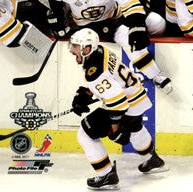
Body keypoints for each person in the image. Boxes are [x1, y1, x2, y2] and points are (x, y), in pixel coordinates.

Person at [46, 0, 172, 93]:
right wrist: (57, 15)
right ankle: (156, 75)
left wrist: (137, 28)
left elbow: (132, 4)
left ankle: (147, 54)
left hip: (114, 16)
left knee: (157, 23)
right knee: (126, 38)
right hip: (87, 26)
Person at [68, 28, 166, 190]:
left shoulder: (94, 70)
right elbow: (109, 79)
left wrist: (115, 127)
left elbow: (118, 101)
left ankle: (106, 174)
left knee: (85, 133)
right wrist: (86, 93)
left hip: (124, 105)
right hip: (137, 97)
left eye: (76, 46)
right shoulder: (100, 50)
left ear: (87, 48)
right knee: (135, 127)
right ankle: (152, 158)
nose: (72, 50)